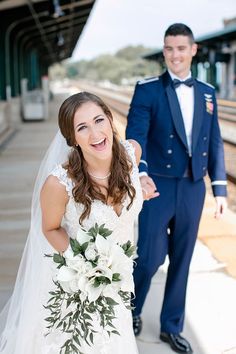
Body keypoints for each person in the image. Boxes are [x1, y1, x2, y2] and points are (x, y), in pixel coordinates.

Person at [0, 91, 146, 353]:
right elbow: (50, 228)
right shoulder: (58, 185)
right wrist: (84, 266)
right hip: (77, 285)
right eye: (82, 127)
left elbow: (131, 189)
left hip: (119, 281)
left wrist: (142, 184)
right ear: (72, 139)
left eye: (99, 120)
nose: (95, 134)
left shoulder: (132, 153)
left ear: (110, 119)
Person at [126, 23, 227, 354]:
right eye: (169, 49)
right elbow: (135, 136)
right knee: (149, 257)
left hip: (193, 188)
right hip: (157, 185)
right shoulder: (148, 89)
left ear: (193, 50)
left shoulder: (208, 92)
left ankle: (171, 326)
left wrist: (221, 189)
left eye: (181, 48)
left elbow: (213, 143)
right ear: (164, 50)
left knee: (182, 259)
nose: (175, 55)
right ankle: (133, 309)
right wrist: (139, 173)